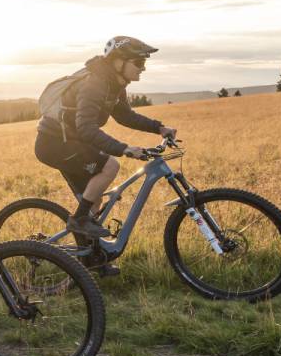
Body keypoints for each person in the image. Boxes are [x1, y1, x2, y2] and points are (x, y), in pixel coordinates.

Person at [34, 36, 177, 276]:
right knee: (110, 166)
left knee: (94, 198)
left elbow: (125, 116)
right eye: (139, 63)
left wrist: (158, 127)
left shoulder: (114, 83)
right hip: (55, 144)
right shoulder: (95, 83)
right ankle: (79, 220)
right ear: (119, 61)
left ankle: (92, 260)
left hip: (72, 141)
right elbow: (86, 128)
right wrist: (124, 148)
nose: (143, 68)